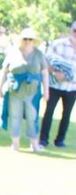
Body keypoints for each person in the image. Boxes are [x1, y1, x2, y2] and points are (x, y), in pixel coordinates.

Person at [0, 28, 49, 152]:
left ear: (34, 41)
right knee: (15, 116)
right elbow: (4, 71)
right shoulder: (13, 52)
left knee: (32, 117)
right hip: (15, 90)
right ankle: (15, 145)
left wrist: (46, 91)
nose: (27, 41)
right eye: (25, 39)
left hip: (32, 91)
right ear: (21, 40)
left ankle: (34, 145)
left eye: (30, 39)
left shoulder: (39, 54)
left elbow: (45, 73)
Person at [40, 20, 76, 148]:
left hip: (72, 87)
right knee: (48, 112)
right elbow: (44, 59)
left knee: (66, 115)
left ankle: (60, 140)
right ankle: (43, 139)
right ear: (70, 30)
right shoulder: (58, 44)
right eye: (75, 30)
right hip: (55, 85)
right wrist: (54, 72)